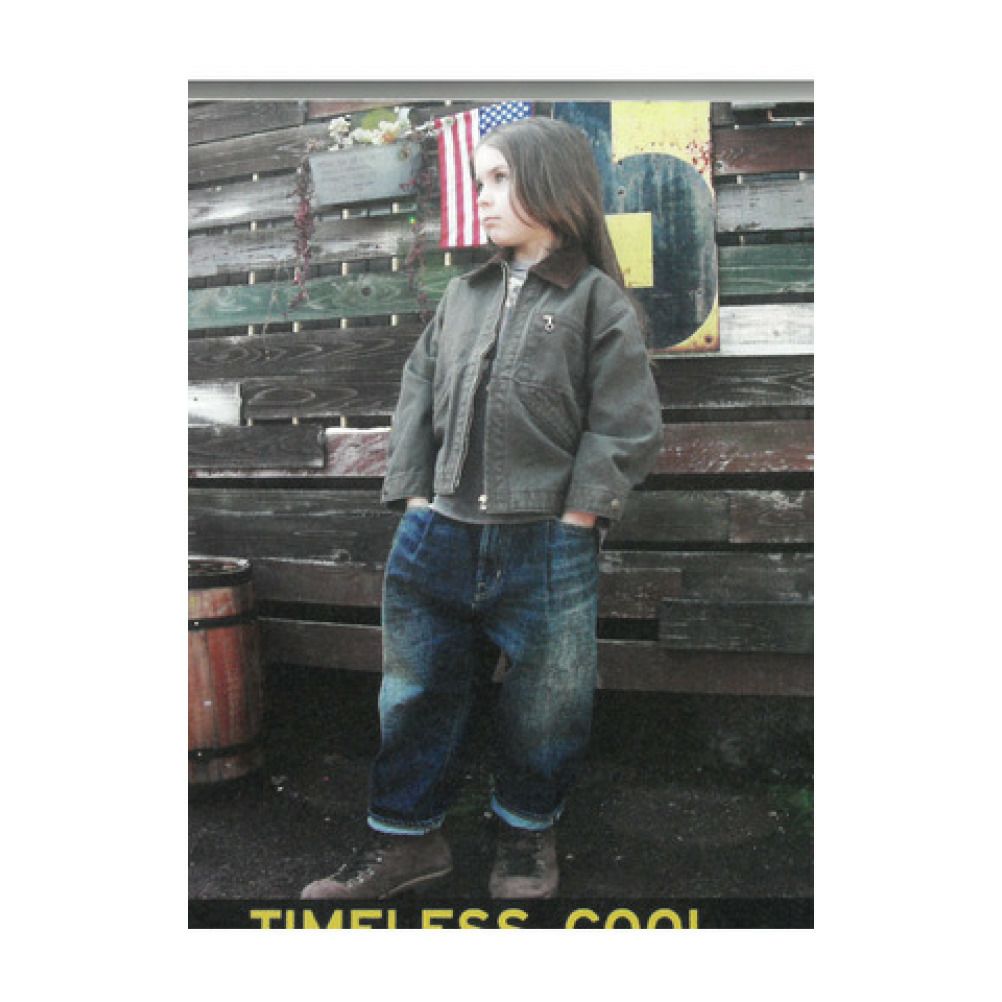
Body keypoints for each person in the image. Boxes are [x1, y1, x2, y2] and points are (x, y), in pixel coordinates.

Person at [301, 116, 664, 900]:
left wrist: (577, 520)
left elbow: (624, 425)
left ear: (553, 186)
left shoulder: (596, 302)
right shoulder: (463, 296)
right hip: (439, 536)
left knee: (547, 704)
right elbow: (418, 390)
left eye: (499, 179)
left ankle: (526, 835)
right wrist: (418, 500)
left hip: (546, 543)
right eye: (479, 182)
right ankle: (406, 842)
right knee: (416, 694)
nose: (484, 197)